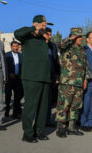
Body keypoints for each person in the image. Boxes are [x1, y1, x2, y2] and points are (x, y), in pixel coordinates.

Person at [14, 15, 53, 143]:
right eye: (42, 24)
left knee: (43, 107)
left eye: (45, 25)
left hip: (44, 77)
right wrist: (33, 28)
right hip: (31, 77)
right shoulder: (26, 37)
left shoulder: (43, 39)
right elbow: (17, 33)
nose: (45, 27)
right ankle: (28, 133)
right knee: (30, 105)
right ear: (35, 24)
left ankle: (39, 131)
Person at [55, 28, 92, 138]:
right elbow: (60, 44)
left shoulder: (82, 50)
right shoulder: (66, 47)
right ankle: (61, 128)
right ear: (74, 37)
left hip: (79, 83)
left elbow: (85, 66)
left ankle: (71, 127)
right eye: (79, 36)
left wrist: (85, 79)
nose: (81, 38)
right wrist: (70, 38)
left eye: (82, 36)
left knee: (75, 106)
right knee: (64, 106)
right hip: (67, 83)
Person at [43, 27, 61, 127]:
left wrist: (57, 76)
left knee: (49, 100)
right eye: (47, 34)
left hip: (51, 77)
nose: (49, 37)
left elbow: (56, 61)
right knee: (41, 101)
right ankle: (38, 120)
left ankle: (47, 119)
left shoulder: (53, 46)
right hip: (40, 77)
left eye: (50, 34)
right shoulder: (38, 44)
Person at [5, 41, 23, 119]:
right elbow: (5, 66)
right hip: (9, 79)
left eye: (16, 46)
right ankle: (7, 110)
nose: (15, 48)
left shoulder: (20, 55)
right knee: (8, 96)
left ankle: (15, 114)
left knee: (17, 97)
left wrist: (21, 74)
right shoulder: (7, 55)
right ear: (11, 47)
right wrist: (9, 74)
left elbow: (22, 66)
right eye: (14, 46)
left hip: (17, 79)